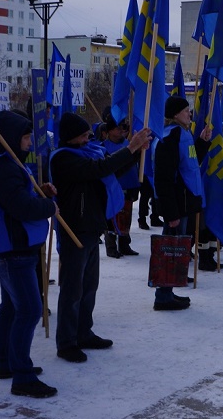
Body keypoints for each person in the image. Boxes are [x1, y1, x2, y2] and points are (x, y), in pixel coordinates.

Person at [51, 112, 151, 361]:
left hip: (92, 226)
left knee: (89, 286)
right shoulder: (63, 158)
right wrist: (130, 148)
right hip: (74, 229)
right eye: (84, 134)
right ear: (72, 137)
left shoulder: (88, 152)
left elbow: (110, 171)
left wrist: (137, 152)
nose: (89, 137)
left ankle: (84, 332)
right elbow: (98, 169)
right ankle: (66, 342)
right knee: (72, 289)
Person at [0, 110, 59, 398]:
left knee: (12, 307)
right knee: (29, 309)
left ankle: (6, 362)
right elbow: (19, 207)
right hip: (13, 249)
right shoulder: (1, 166)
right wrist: (48, 207)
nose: (29, 142)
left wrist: (42, 194)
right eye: (25, 137)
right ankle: (22, 376)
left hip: (13, 246)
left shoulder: (8, 163)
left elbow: (21, 198)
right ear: (11, 137)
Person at [154, 96, 211, 309]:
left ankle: (168, 290)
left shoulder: (183, 134)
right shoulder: (170, 137)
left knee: (177, 249)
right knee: (169, 248)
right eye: (187, 110)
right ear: (176, 113)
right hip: (176, 205)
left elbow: (190, 163)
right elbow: (165, 178)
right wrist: (171, 213)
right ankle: (163, 296)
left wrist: (202, 143)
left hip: (184, 203)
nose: (190, 114)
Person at [100, 116, 142, 258]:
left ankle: (124, 244)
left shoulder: (128, 144)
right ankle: (111, 245)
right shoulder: (103, 147)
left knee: (126, 216)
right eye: (116, 128)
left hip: (129, 184)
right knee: (111, 217)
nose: (120, 130)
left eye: (121, 127)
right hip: (112, 187)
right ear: (108, 131)